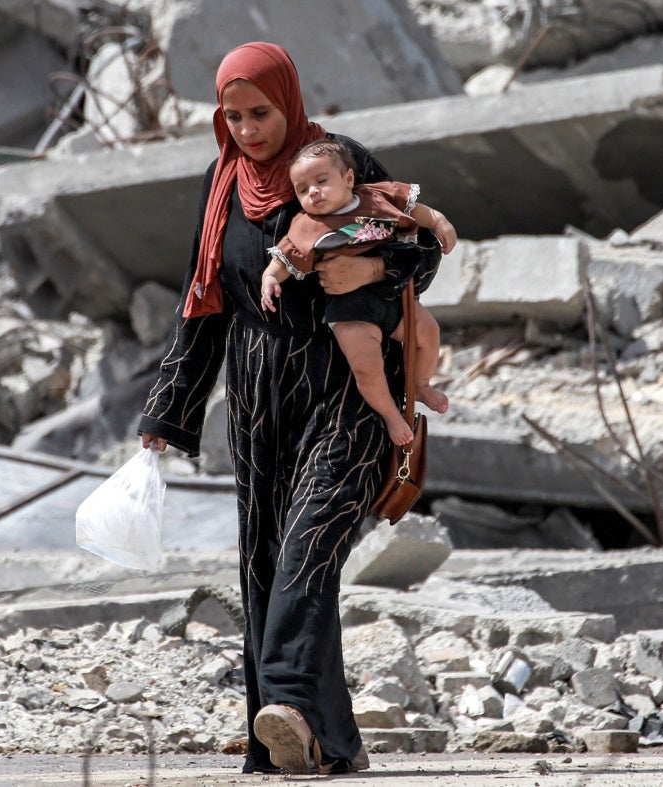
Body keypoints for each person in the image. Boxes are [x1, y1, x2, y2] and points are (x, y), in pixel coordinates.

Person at [137, 43, 441, 775]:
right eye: (233, 115)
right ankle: (324, 743)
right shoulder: (222, 184)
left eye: (261, 113)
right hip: (257, 392)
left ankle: (287, 700)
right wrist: (166, 411)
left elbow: (419, 249)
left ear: (289, 101)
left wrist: (369, 264)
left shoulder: (337, 160)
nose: (247, 129)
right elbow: (201, 303)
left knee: (309, 546)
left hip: (346, 382)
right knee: (266, 562)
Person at [259, 138, 455, 445]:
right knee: (366, 366)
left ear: (348, 179)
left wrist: (440, 221)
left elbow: (416, 209)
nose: (313, 192)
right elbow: (283, 258)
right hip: (349, 310)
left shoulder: (377, 197)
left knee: (428, 332)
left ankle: (420, 385)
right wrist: (270, 278)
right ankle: (391, 414)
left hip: (391, 294)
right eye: (302, 189)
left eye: (321, 181)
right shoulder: (307, 225)